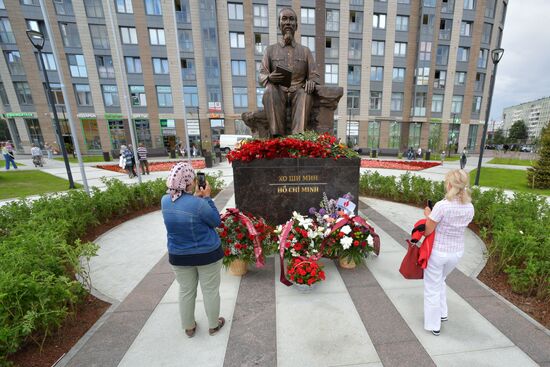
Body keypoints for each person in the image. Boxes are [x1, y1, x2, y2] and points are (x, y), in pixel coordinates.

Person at [161, 162, 225, 338]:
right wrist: (206, 198)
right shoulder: (199, 204)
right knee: (210, 290)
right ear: (189, 182)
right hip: (207, 254)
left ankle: (188, 327)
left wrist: (196, 198)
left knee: (186, 290)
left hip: (179, 256)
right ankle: (213, 324)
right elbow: (216, 221)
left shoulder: (164, 201)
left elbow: (182, 205)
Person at [422, 169, 474, 336]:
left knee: (432, 287)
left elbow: (427, 231)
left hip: (438, 252)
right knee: (441, 280)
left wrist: (427, 216)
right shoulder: (470, 207)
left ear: (450, 184)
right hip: (456, 252)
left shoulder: (442, 206)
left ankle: (433, 325)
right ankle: (443, 313)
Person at [259, 7, 320, 136]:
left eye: (291, 19)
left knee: (306, 94)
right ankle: (277, 137)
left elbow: (314, 75)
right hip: (278, 90)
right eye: (284, 19)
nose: (288, 22)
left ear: (296, 26)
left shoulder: (305, 51)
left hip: (298, 90)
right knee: (269, 90)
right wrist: (270, 78)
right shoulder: (269, 50)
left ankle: (298, 138)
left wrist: (312, 81)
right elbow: (261, 76)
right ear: (279, 24)